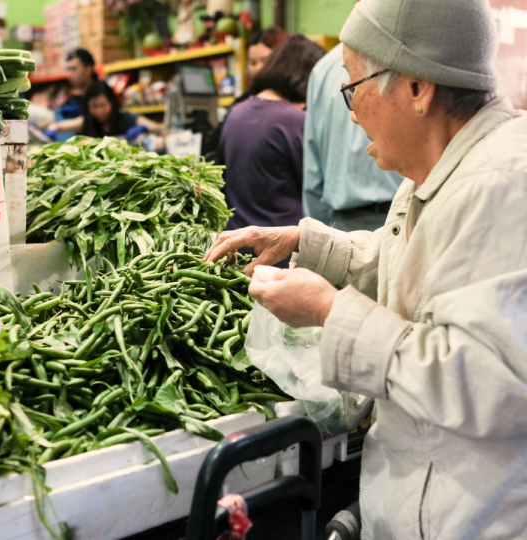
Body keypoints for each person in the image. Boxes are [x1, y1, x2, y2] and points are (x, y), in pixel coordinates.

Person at [206, 0, 527, 537]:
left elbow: (486, 381)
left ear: (418, 89)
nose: (350, 111)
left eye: (354, 86)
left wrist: (331, 313)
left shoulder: (503, 185)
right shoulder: (443, 171)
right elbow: (411, 266)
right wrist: (300, 241)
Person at [219, 36, 325, 234]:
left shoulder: (236, 112)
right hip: (282, 244)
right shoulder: (295, 120)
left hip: (238, 239)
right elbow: (318, 188)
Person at [303, 39, 403, 231]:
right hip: (401, 215)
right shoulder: (398, 55)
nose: (354, 116)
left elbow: (312, 166)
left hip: (345, 221)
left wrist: (315, 233)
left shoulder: (323, 68)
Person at [203, 27, 289, 161]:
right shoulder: (241, 104)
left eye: (265, 61)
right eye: (253, 63)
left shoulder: (296, 104)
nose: (258, 68)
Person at [50, 81, 161, 139]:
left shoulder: (125, 119)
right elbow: (57, 126)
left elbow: (158, 128)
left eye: (103, 105)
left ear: (112, 103)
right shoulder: (87, 122)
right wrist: (52, 130)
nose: (99, 111)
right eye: (94, 107)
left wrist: (145, 129)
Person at [49, 49, 98, 142]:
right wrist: (39, 126)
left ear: (88, 69)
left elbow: (93, 119)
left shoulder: (100, 92)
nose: (69, 75)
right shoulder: (76, 96)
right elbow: (63, 114)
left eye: (73, 69)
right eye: (68, 69)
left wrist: (56, 127)